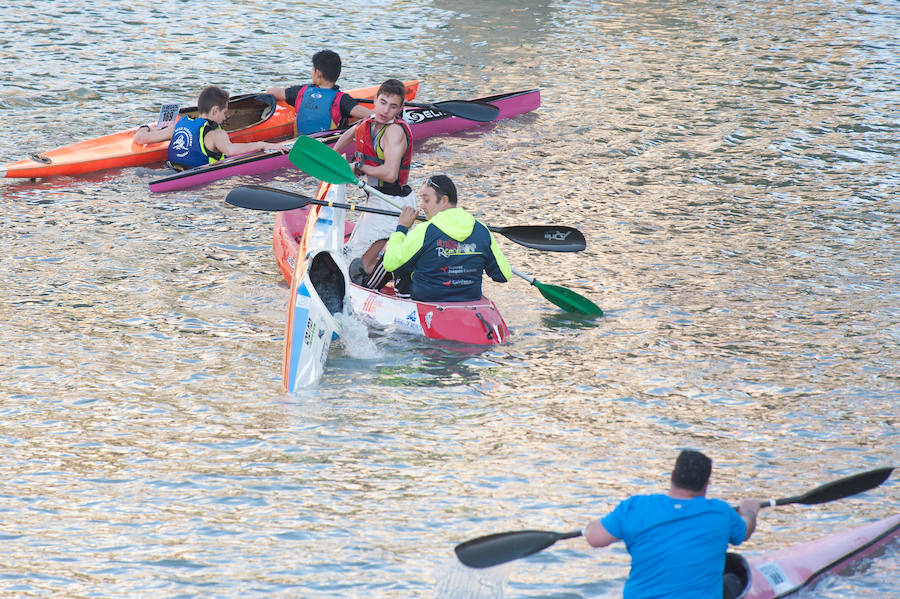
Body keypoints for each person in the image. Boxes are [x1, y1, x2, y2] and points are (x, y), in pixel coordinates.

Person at [583, 450, 761, 599]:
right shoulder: (720, 513)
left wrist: (592, 526)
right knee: (732, 580)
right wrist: (749, 512)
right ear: (706, 485)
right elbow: (745, 530)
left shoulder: (635, 507)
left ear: (672, 476)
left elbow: (594, 538)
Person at [380, 174, 511, 302]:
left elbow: (390, 264)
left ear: (443, 201)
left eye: (426, 200)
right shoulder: (482, 230)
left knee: (393, 250)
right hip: (469, 299)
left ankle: (367, 285)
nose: (422, 206)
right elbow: (503, 275)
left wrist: (401, 229)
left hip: (426, 301)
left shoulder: (425, 230)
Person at [332, 78, 417, 274]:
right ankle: (373, 270)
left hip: (392, 203)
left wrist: (359, 167)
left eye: (393, 106)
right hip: (378, 199)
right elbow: (349, 134)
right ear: (375, 99)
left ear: (400, 109)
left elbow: (389, 174)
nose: (385, 110)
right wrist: (333, 159)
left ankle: (370, 280)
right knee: (357, 258)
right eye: (382, 102)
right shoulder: (368, 122)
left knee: (351, 262)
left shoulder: (394, 132)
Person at [133, 86, 286, 170]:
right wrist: (264, 144)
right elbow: (231, 151)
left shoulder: (179, 123)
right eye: (224, 112)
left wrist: (146, 126)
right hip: (194, 181)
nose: (225, 118)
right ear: (214, 111)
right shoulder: (215, 133)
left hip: (169, 172)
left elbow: (139, 138)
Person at [266, 49, 370, 135]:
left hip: (299, 144)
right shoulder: (343, 100)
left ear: (318, 72)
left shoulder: (300, 92)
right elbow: (370, 115)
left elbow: (272, 92)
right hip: (326, 148)